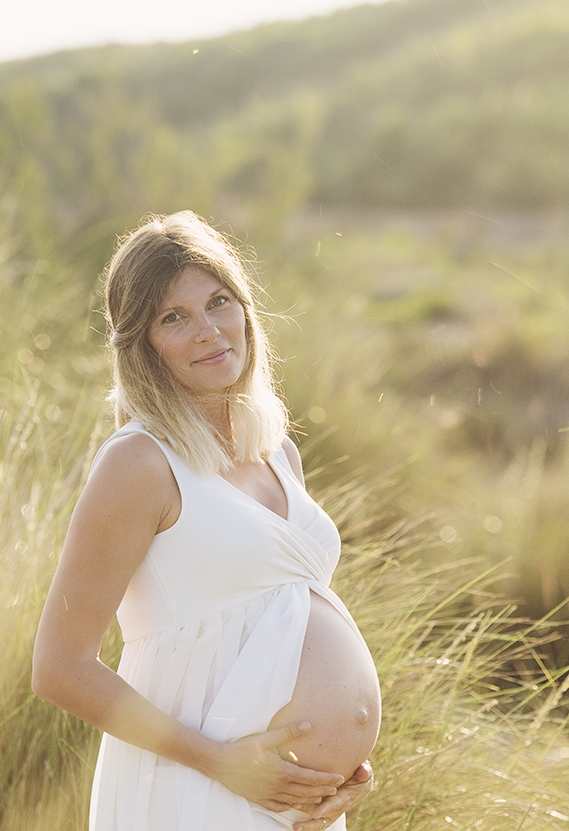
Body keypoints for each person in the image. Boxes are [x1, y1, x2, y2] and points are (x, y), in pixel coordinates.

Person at [32, 211, 379, 831]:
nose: (208, 331)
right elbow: (60, 667)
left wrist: (344, 759)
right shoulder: (139, 462)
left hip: (297, 806)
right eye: (174, 317)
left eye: (219, 302)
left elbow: (287, 612)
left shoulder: (278, 452)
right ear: (142, 345)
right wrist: (221, 763)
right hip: (194, 791)